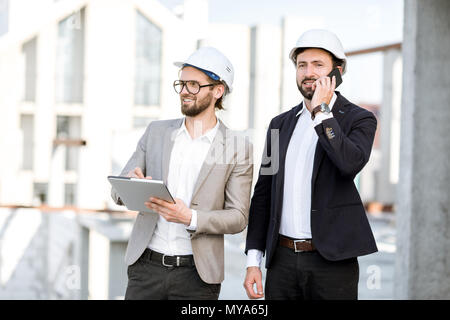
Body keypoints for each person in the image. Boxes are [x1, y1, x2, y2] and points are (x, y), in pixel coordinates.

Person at [243, 29, 378, 300]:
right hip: (281, 263)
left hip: (332, 264)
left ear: (337, 72)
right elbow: (263, 194)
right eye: (302, 65)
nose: (308, 72)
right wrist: (253, 262)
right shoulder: (278, 125)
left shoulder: (360, 119)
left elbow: (349, 164)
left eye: (318, 65)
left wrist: (321, 113)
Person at [111, 47, 253, 300]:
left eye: (194, 85)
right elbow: (118, 191)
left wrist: (191, 218)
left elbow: (238, 217)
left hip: (197, 277)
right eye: (182, 83)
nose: (185, 90)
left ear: (217, 91)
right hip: (145, 268)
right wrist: (132, 185)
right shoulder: (156, 132)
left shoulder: (238, 147)